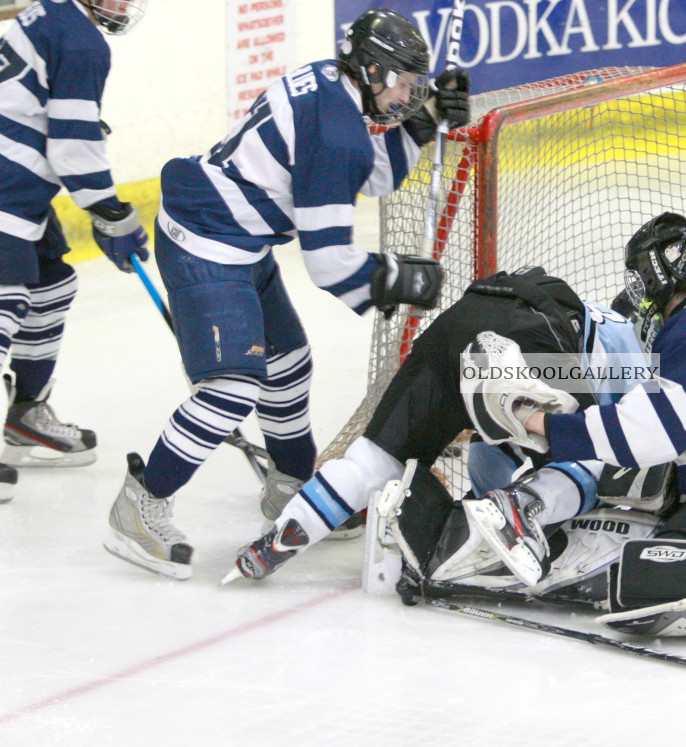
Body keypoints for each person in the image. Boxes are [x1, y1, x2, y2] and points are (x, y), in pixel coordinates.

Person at [103, 8, 467, 580]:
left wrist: (419, 125)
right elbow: (328, 264)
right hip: (208, 242)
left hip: (237, 236)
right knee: (230, 388)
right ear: (370, 71)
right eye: (401, 81)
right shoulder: (335, 130)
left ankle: (289, 485)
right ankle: (141, 503)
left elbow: (362, 172)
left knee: (288, 366)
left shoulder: (331, 84)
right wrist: (394, 277)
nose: (406, 92)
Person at [414, 212, 686, 639]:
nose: (634, 296)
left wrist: (537, 422)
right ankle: (518, 508)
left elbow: (648, 434)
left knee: (651, 576)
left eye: (638, 283)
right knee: (604, 477)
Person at [224, 263, 646, 583]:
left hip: (456, 326)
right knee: (594, 454)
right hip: (527, 335)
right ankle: (518, 511)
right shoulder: (628, 340)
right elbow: (638, 438)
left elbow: (486, 447)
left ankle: (277, 541)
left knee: (371, 462)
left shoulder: (598, 321)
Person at [0, 0, 151, 502]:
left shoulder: (48, 14)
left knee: (51, 284)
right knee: (7, 299)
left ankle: (25, 413)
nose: (126, 4)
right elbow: (72, 144)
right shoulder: (82, 41)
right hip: (6, 181)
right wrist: (112, 214)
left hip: (19, 177)